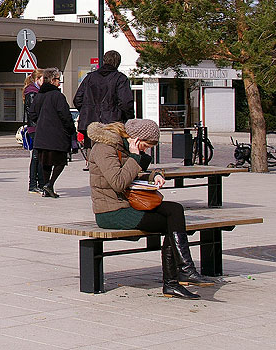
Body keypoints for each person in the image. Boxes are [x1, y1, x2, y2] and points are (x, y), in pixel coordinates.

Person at [87, 120, 214, 299]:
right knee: (172, 223)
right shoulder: (104, 148)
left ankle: (184, 271)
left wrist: (156, 175)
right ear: (136, 139)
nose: (145, 150)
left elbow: (134, 174)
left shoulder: (123, 148)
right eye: (146, 146)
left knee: (175, 210)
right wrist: (135, 156)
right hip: (111, 212)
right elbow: (118, 182)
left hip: (129, 205)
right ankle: (176, 279)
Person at [73, 49, 135, 148]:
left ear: (104, 61)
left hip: (90, 123)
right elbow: (126, 102)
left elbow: (77, 99)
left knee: (92, 154)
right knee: (111, 154)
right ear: (118, 63)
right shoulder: (120, 79)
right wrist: (126, 118)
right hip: (112, 124)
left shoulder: (90, 78)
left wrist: (88, 110)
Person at [29, 67, 76, 198]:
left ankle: (47, 187)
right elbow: (65, 115)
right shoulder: (57, 96)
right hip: (57, 136)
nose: (59, 83)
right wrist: (70, 129)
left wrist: (42, 122)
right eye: (58, 80)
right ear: (52, 80)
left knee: (45, 162)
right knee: (60, 162)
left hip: (42, 135)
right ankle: (49, 185)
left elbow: (32, 113)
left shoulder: (39, 96)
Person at [23, 69, 47, 194]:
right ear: (37, 79)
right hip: (35, 127)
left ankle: (40, 183)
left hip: (38, 127)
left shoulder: (36, 92)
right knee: (37, 155)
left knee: (40, 155)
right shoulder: (32, 93)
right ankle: (33, 184)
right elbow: (33, 112)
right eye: (44, 79)